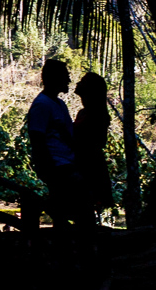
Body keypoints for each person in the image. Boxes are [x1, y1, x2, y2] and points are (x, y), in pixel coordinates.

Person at [24, 59, 86, 227]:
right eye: (65, 76)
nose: (68, 80)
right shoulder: (42, 105)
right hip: (57, 164)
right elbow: (37, 139)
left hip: (65, 162)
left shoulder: (59, 104)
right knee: (73, 201)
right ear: (54, 78)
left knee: (65, 205)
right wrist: (47, 167)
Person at [73, 72, 114, 219]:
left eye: (82, 82)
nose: (78, 84)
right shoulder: (85, 113)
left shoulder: (95, 115)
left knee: (85, 204)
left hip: (89, 164)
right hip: (86, 162)